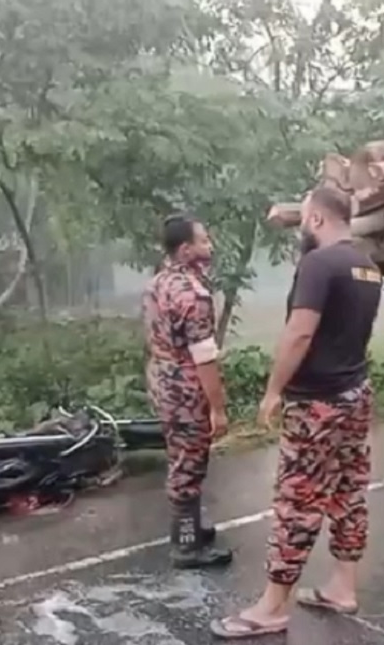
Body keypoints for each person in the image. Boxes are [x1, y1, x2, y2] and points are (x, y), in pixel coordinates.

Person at [210, 186, 383, 639]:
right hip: (355, 393)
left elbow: (300, 333)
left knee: (296, 502)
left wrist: (273, 391)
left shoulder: (318, 264)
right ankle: (342, 587)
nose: (302, 227)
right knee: (349, 492)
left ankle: (272, 607)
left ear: (319, 220)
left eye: (305, 218)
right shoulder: (367, 265)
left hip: (318, 403)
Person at [142, 213, 233, 569]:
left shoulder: (159, 282)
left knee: (181, 455)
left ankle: (189, 527)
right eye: (204, 240)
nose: (210, 245)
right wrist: (217, 409)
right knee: (188, 464)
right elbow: (203, 358)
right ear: (185, 250)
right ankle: (186, 546)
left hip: (161, 377)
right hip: (184, 385)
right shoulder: (193, 296)